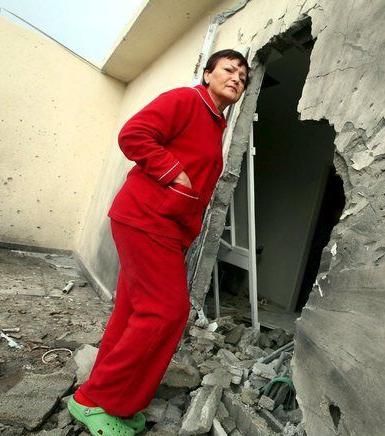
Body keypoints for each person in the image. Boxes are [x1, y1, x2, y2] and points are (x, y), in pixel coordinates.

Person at [67, 49, 249, 436]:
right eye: (229, 70)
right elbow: (133, 134)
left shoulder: (215, 122)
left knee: (133, 312)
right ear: (207, 74)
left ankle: (109, 398)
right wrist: (176, 177)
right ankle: (95, 399)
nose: (237, 78)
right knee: (167, 311)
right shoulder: (185, 100)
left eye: (244, 77)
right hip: (146, 218)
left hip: (165, 226)